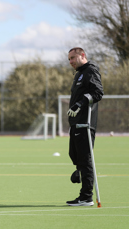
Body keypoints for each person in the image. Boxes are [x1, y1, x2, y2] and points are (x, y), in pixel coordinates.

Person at [66, 47, 104, 206]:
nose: (71, 62)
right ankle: (81, 175)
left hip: (85, 124)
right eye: (69, 59)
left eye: (73, 58)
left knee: (85, 158)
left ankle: (86, 196)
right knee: (74, 155)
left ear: (82, 55)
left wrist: (80, 104)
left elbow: (98, 93)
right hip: (76, 124)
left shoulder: (90, 71)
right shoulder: (79, 73)